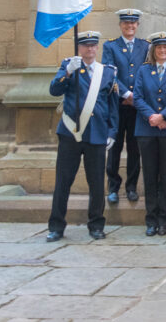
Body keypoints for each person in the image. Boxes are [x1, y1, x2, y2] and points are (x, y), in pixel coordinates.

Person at [46, 31, 120, 242]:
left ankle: (96, 225)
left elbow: (112, 106)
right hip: (71, 133)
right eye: (85, 45)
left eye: (93, 45)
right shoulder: (69, 66)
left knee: (96, 183)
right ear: (79, 48)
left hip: (96, 133)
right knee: (63, 182)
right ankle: (56, 226)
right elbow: (54, 90)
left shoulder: (107, 72)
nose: (89, 49)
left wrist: (112, 132)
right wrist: (68, 72)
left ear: (97, 47)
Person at [132, 31, 166, 236]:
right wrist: (152, 117)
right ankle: (151, 220)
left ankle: (164, 219)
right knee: (150, 174)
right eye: (159, 47)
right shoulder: (144, 70)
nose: (162, 50)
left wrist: (163, 117)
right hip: (146, 129)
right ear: (153, 50)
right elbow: (137, 97)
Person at [103, 8, 148, 205]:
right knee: (114, 147)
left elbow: (147, 72)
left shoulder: (145, 46)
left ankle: (131, 187)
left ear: (137, 25)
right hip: (117, 104)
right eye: (126, 23)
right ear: (120, 25)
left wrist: (136, 96)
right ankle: (113, 187)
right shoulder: (110, 46)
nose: (130, 26)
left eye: (133, 23)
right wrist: (127, 94)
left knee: (134, 148)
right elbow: (110, 74)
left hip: (137, 107)